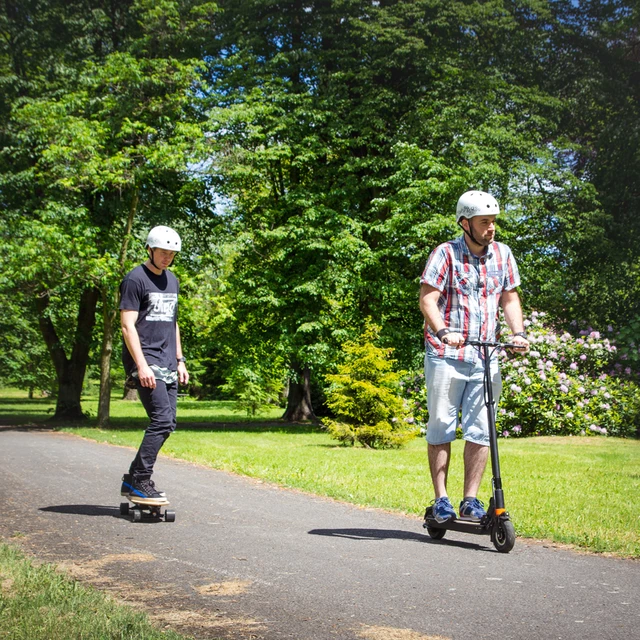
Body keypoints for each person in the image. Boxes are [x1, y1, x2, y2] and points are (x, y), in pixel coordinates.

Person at [419, 190, 529, 524]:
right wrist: (442, 331)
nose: (491, 228)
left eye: (493, 221)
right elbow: (427, 300)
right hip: (446, 355)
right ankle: (441, 500)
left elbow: (509, 298)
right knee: (442, 427)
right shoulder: (446, 254)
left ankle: (470, 500)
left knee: (481, 430)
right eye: (484, 222)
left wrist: (517, 333)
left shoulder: (503, 254)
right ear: (465, 223)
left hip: (486, 356)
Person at [119, 225, 189, 504]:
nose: (167, 258)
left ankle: (132, 478)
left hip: (167, 359)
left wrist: (180, 360)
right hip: (145, 359)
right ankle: (140, 480)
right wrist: (141, 366)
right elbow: (127, 326)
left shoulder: (172, 280)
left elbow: (173, 323)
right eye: (163, 252)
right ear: (149, 249)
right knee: (161, 420)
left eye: (171, 254)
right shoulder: (135, 279)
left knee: (168, 422)